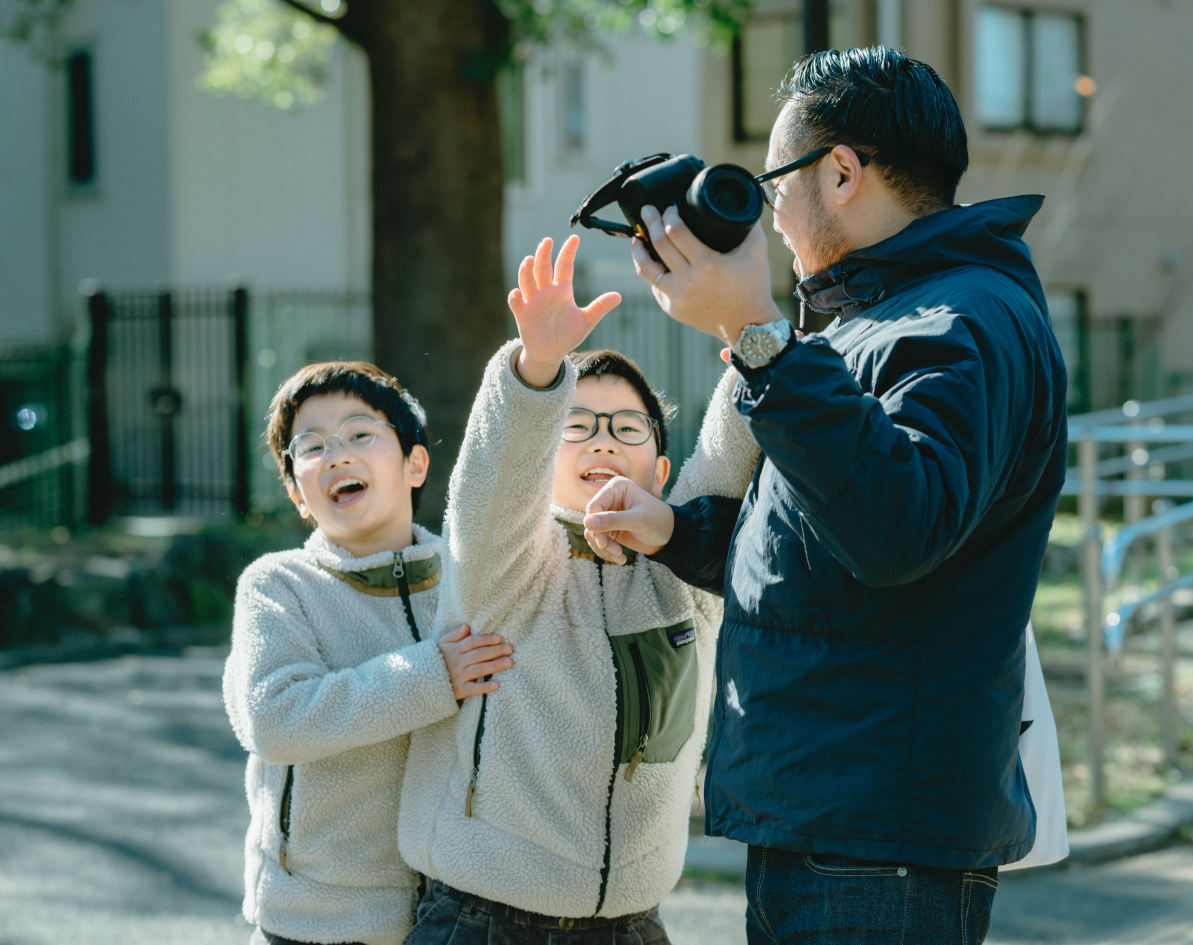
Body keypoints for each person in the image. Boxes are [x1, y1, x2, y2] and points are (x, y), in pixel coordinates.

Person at [582, 47, 1069, 944]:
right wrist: (676, 532)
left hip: (876, 835)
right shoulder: (881, 321)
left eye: (776, 181)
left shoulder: (960, 319)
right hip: (834, 820)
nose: (768, 209)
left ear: (840, 171)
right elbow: (825, 550)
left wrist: (756, 333)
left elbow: (898, 528)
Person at [397, 235, 759, 943]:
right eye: (577, 426)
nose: (601, 441)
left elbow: (724, 457)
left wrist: (754, 343)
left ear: (659, 469)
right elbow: (488, 489)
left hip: (632, 924)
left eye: (626, 427)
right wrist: (536, 368)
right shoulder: (504, 564)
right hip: (481, 919)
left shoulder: (686, 570)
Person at [223, 361, 516, 945]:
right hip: (311, 922)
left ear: (415, 463)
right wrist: (433, 676)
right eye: (311, 447)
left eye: (360, 434)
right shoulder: (279, 585)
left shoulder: (471, 582)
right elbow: (274, 716)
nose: (337, 455)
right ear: (297, 494)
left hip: (453, 918)